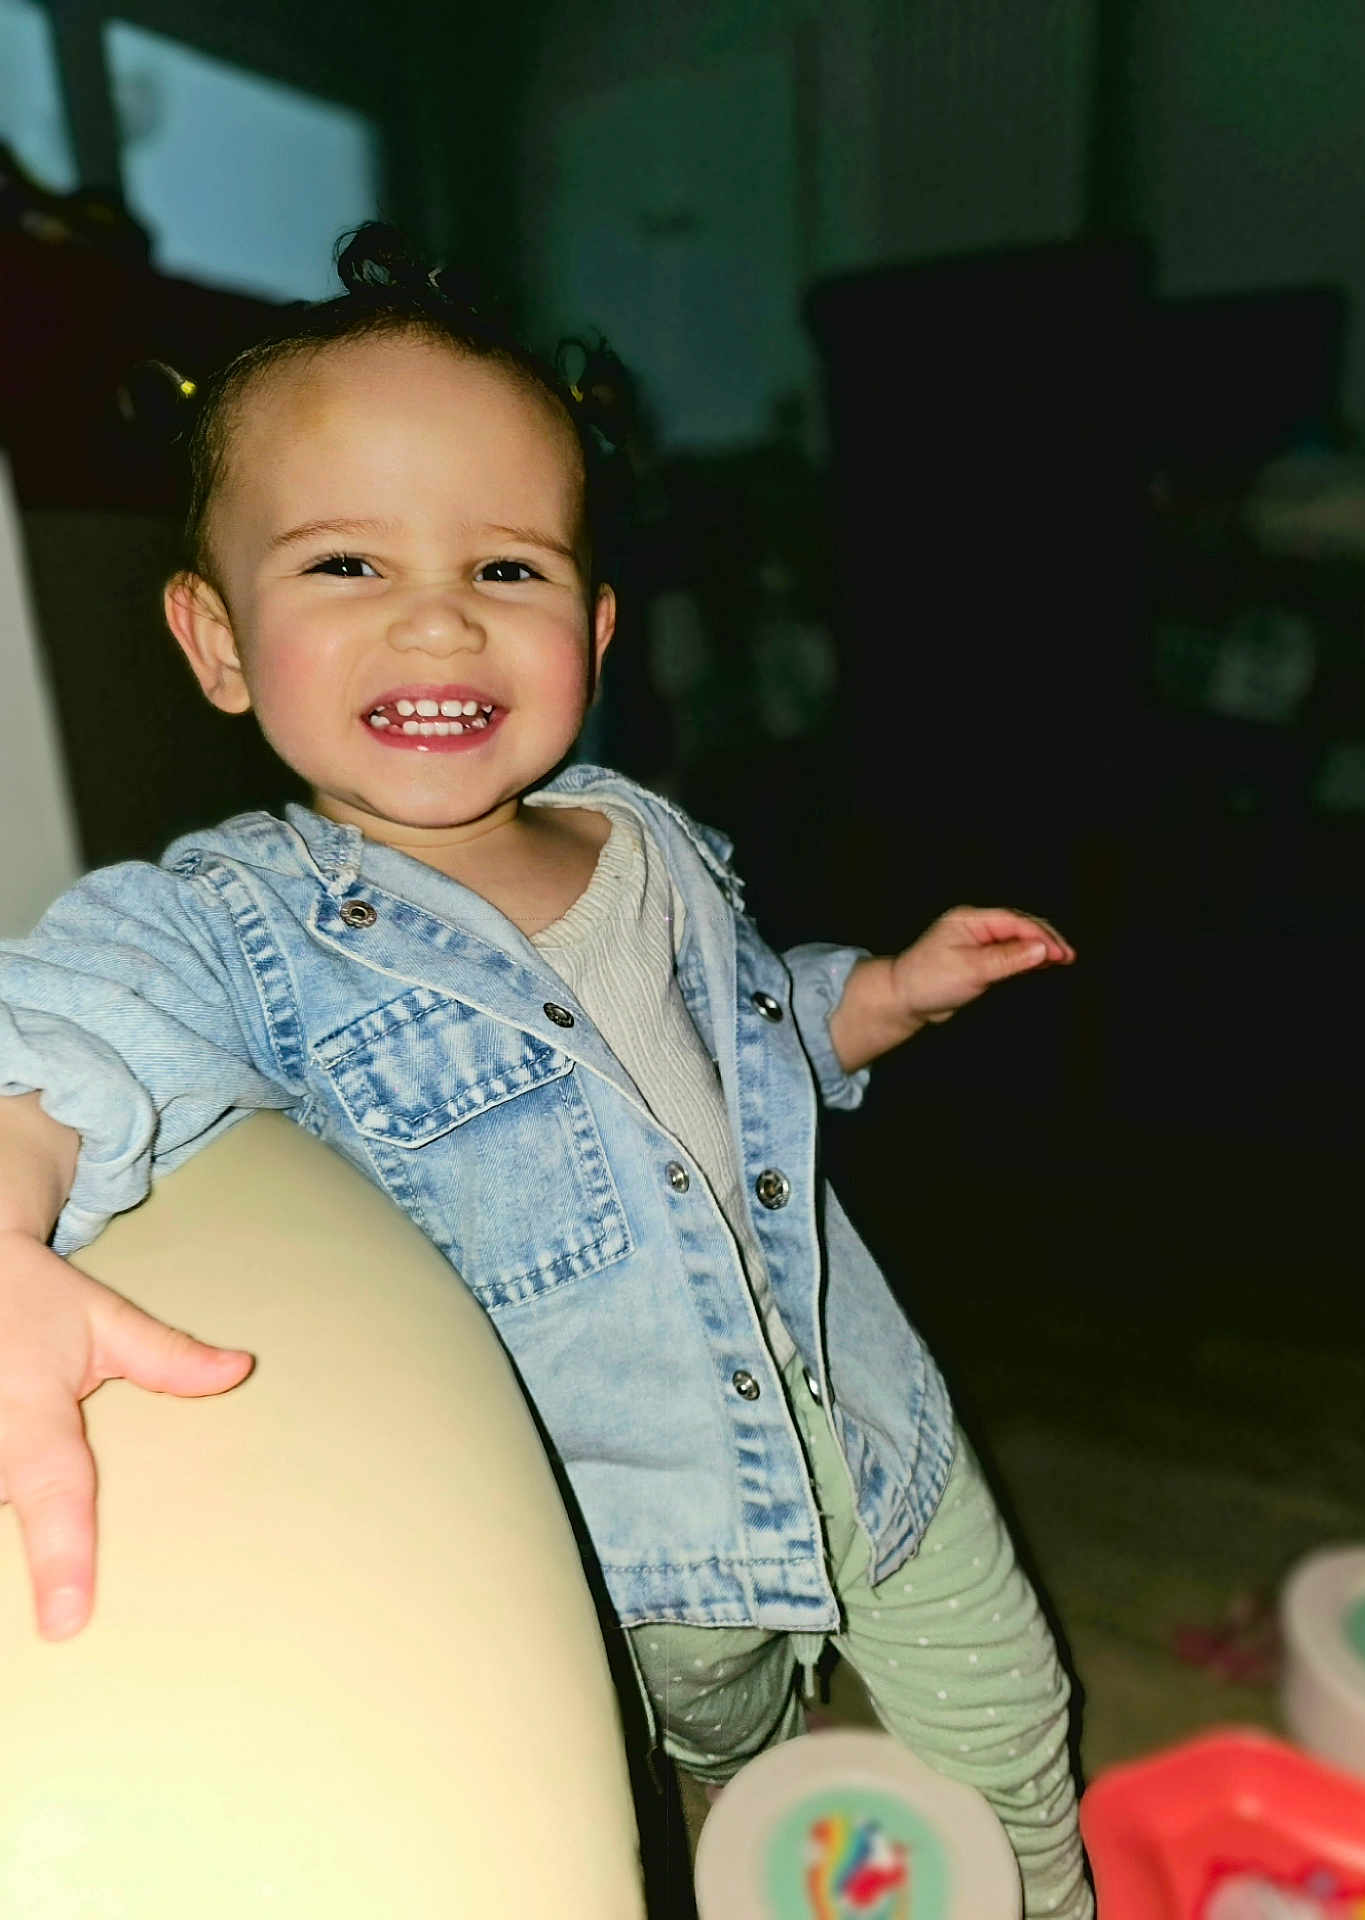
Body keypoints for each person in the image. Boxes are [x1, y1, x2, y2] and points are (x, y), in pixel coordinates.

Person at [0, 227, 1089, 1916]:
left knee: (1014, 1743)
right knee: (675, 1827)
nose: (438, 617)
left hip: (863, 1414)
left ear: (590, 626)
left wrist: (873, 997)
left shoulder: (649, 838)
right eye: (346, 566)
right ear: (215, 640)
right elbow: (64, 1031)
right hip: (608, 1540)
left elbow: (733, 1035)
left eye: (505, 571)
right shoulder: (239, 920)